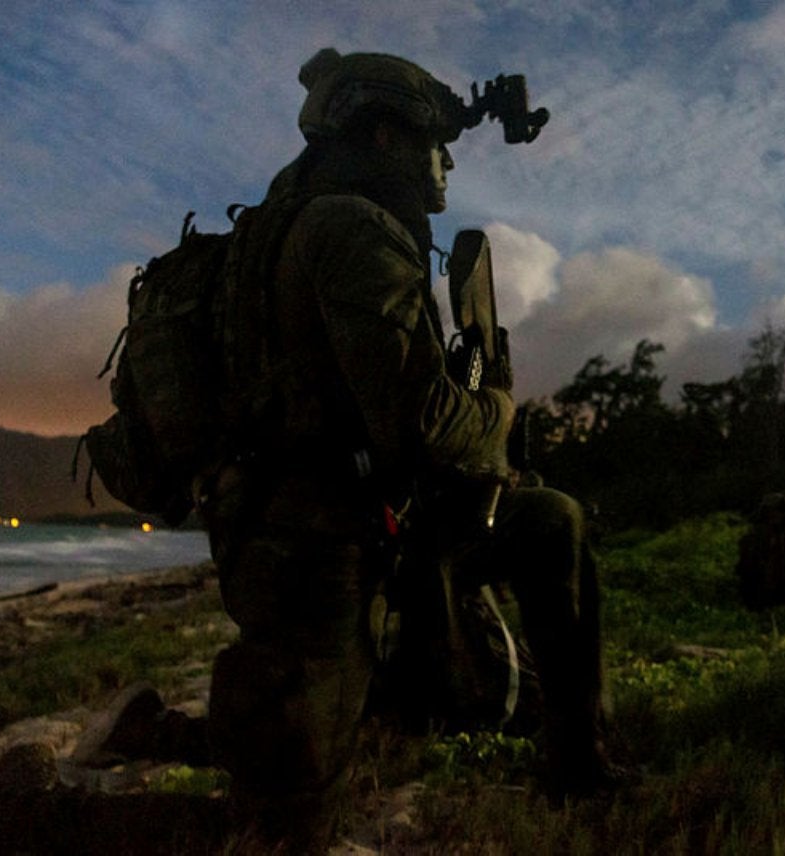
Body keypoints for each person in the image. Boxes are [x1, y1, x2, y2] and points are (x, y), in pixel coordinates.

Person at [190, 48, 613, 848]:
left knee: (550, 522)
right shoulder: (349, 229)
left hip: (353, 514)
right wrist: (495, 409)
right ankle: (34, 811)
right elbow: (420, 422)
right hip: (313, 541)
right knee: (285, 821)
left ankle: (578, 764)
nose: (445, 163)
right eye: (435, 144)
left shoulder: (296, 219)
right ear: (385, 137)